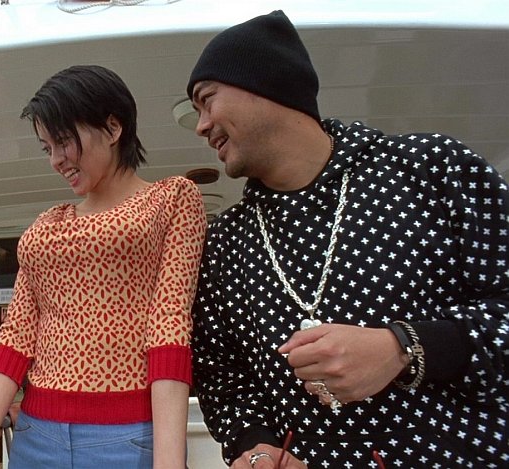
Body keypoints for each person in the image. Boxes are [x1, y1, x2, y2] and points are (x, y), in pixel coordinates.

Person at [186, 10, 509, 469]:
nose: (200, 125)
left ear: (265, 84)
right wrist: (254, 446)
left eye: (207, 100)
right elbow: (221, 374)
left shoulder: (431, 169)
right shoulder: (225, 243)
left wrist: (404, 348)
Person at [0, 65, 207, 469]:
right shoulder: (46, 225)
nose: (56, 160)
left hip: (129, 438)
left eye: (64, 141)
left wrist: (169, 462)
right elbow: (15, 339)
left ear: (113, 127)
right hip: (36, 436)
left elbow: (170, 326)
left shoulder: (172, 199)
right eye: (47, 148)